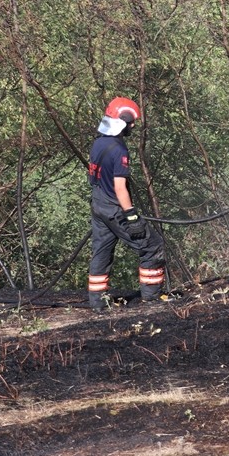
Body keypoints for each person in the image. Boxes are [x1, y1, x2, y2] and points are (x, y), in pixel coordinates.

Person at [86, 96, 166, 311]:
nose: (133, 126)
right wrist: (131, 215)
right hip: (114, 208)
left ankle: (97, 303)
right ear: (123, 120)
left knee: (101, 252)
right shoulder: (119, 149)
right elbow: (120, 187)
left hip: (98, 205)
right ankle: (152, 299)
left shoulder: (98, 142)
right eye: (132, 122)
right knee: (152, 246)